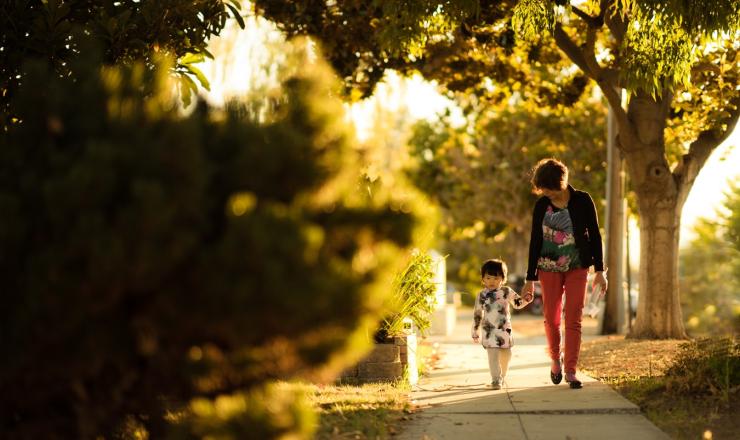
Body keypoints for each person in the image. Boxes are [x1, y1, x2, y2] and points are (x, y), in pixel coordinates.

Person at [521, 158, 608, 389]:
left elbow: (596, 236)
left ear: (561, 183)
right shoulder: (541, 206)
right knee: (551, 318)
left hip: (578, 266)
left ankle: (571, 370)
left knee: (573, 317)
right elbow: (535, 241)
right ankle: (554, 360)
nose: (545, 193)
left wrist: (600, 270)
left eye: (548, 189)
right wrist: (530, 279)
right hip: (547, 268)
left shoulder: (582, 200)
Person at [472, 258, 530, 390]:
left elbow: (517, 304)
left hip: (504, 330)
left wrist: (526, 300)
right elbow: (477, 314)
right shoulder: (481, 295)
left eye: (496, 278)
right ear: (483, 279)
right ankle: (496, 379)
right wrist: (475, 331)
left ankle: (502, 376)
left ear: (502, 279)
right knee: (492, 356)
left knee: (506, 355)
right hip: (489, 331)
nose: (491, 281)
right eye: (488, 278)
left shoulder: (506, 291)